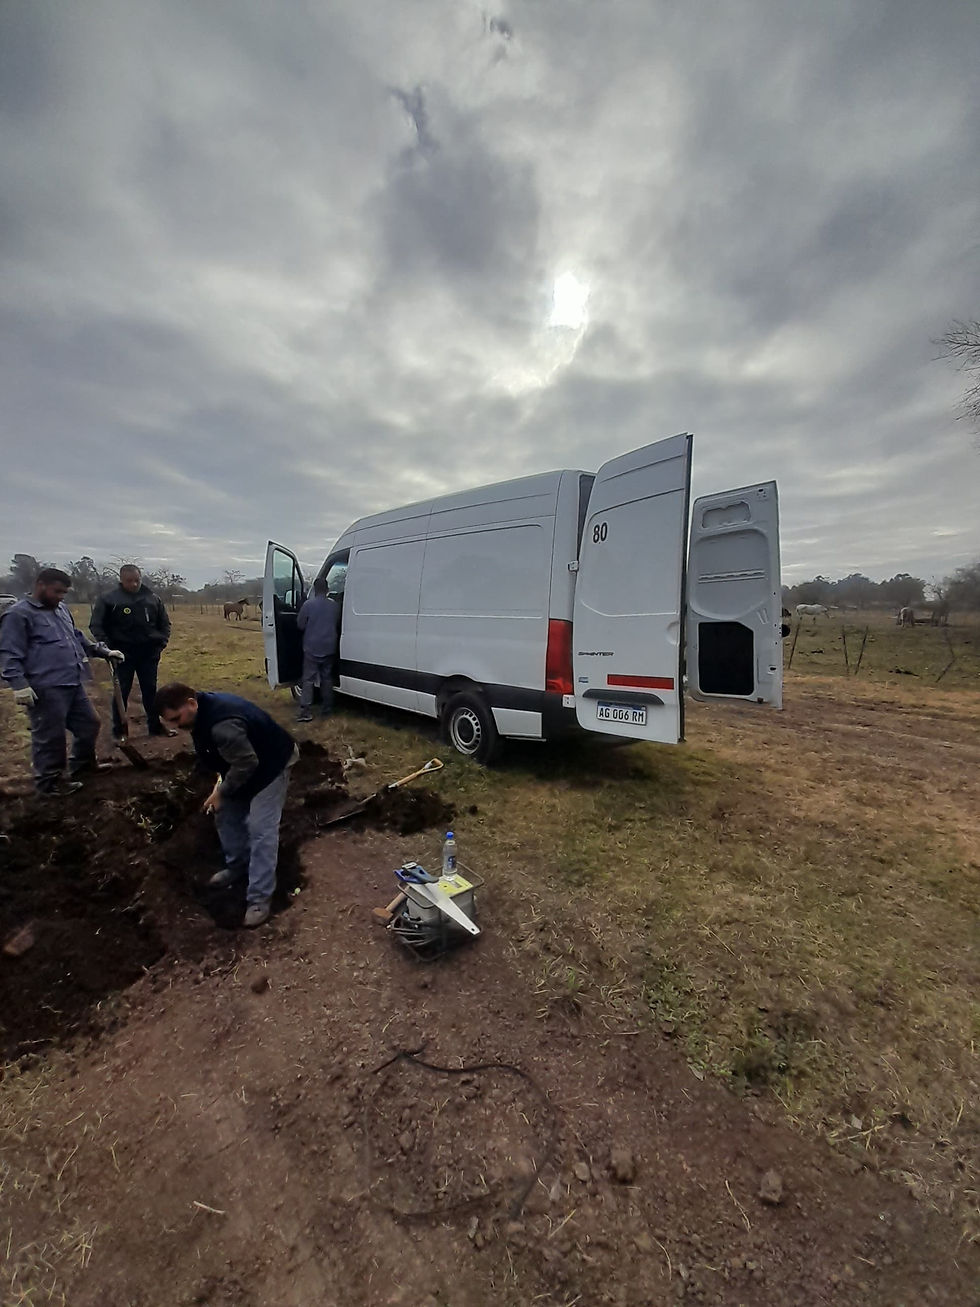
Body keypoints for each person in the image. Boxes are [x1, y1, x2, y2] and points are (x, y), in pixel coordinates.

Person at [154, 682, 298, 928]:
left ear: (191, 703)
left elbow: (246, 764)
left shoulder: (223, 726)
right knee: (224, 812)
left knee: (260, 828)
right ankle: (238, 866)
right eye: (170, 722)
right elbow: (230, 759)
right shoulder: (200, 713)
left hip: (272, 765)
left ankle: (259, 898)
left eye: (177, 719)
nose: (176, 727)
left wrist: (223, 790)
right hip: (244, 765)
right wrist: (221, 784)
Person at [0, 568, 124, 796]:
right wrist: (19, 685)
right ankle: (49, 783)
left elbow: (75, 636)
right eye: (57, 591)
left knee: (89, 724)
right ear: (40, 585)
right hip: (44, 687)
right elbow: (8, 653)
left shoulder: (61, 609)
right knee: (50, 736)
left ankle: (82, 766)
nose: (60, 597)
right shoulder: (18, 615)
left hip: (72, 681)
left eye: (64, 593)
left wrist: (102, 651)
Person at [90, 565, 173, 738]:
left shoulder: (153, 598)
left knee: (150, 690)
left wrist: (161, 643)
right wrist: (108, 649)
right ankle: (120, 731)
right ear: (121, 580)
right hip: (121, 655)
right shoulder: (108, 599)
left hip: (148, 654)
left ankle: (155, 726)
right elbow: (96, 625)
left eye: (137, 580)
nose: (134, 584)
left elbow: (164, 624)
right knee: (122, 692)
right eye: (129, 581)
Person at [295, 577, 341, 723]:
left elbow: (300, 625)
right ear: (327, 589)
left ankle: (306, 711)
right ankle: (327, 709)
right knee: (327, 678)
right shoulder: (334, 606)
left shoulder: (308, 605)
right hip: (329, 647)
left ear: (315, 589)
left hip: (312, 647)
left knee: (308, 679)